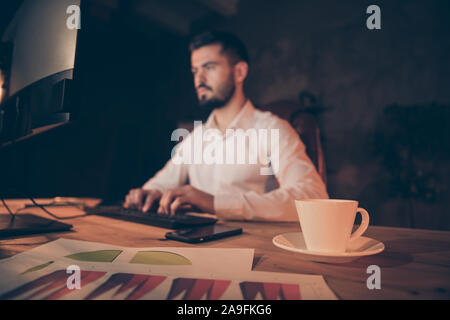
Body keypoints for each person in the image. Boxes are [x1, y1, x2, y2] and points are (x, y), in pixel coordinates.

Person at [124, 31, 328, 221]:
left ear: (239, 72)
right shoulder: (196, 137)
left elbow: (313, 196)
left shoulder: (272, 129)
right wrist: (148, 193)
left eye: (209, 67)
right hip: (195, 244)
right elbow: (163, 182)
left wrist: (214, 203)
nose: (199, 79)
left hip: (253, 250)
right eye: (195, 70)